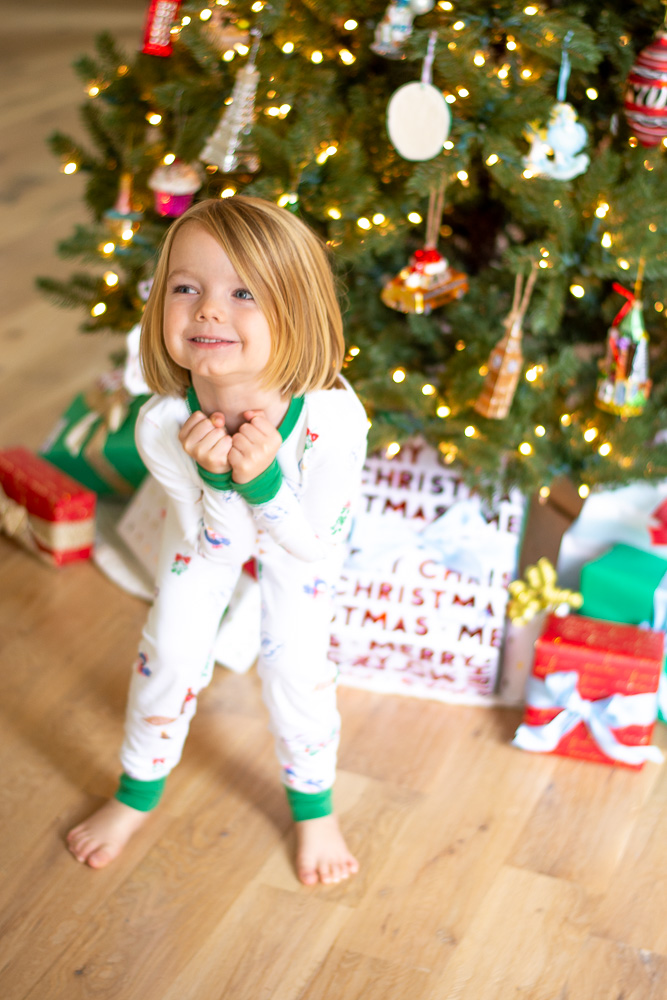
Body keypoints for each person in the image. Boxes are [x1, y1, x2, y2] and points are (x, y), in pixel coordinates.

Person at [67, 196, 368, 885]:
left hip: (305, 545)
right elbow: (219, 546)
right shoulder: (161, 422)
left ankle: (314, 808)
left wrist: (262, 481)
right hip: (206, 539)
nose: (206, 309)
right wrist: (217, 474)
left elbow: (311, 547)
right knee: (169, 650)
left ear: (295, 309)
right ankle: (136, 792)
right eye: (185, 288)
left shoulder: (332, 420)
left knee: (296, 668)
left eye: (242, 293)